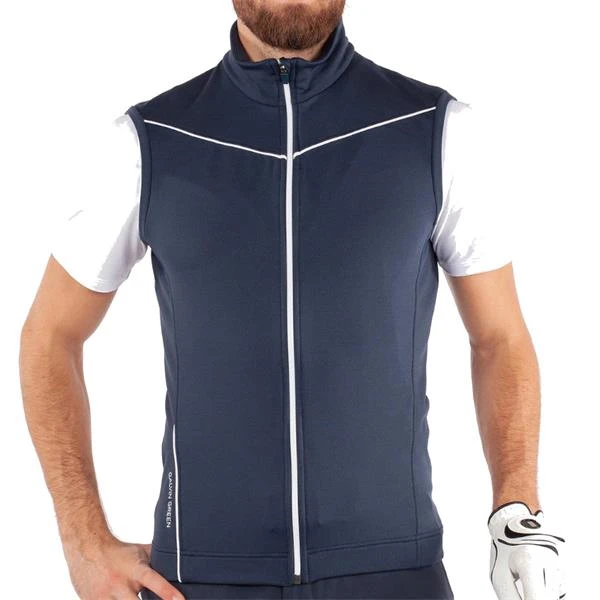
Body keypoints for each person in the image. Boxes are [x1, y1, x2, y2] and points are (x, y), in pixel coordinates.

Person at [19, 1, 566, 598]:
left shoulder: (433, 128)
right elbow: (50, 336)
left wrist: (517, 511)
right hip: (204, 577)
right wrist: (81, 539)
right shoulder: (152, 140)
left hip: (394, 573)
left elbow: (499, 337)